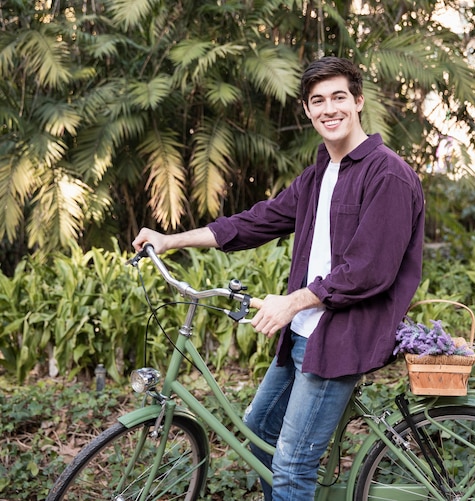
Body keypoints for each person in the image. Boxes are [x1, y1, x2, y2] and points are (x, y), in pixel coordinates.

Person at [132, 56, 425, 501]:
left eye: (339, 97)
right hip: (305, 334)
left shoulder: (388, 175)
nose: (329, 109)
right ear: (308, 111)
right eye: (317, 101)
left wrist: (291, 302)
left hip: (342, 338)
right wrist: (172, 240)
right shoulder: (317, 176)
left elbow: (370, 270)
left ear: (359, 101)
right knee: (261, 429)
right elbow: (254, 222)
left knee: (291, 466)